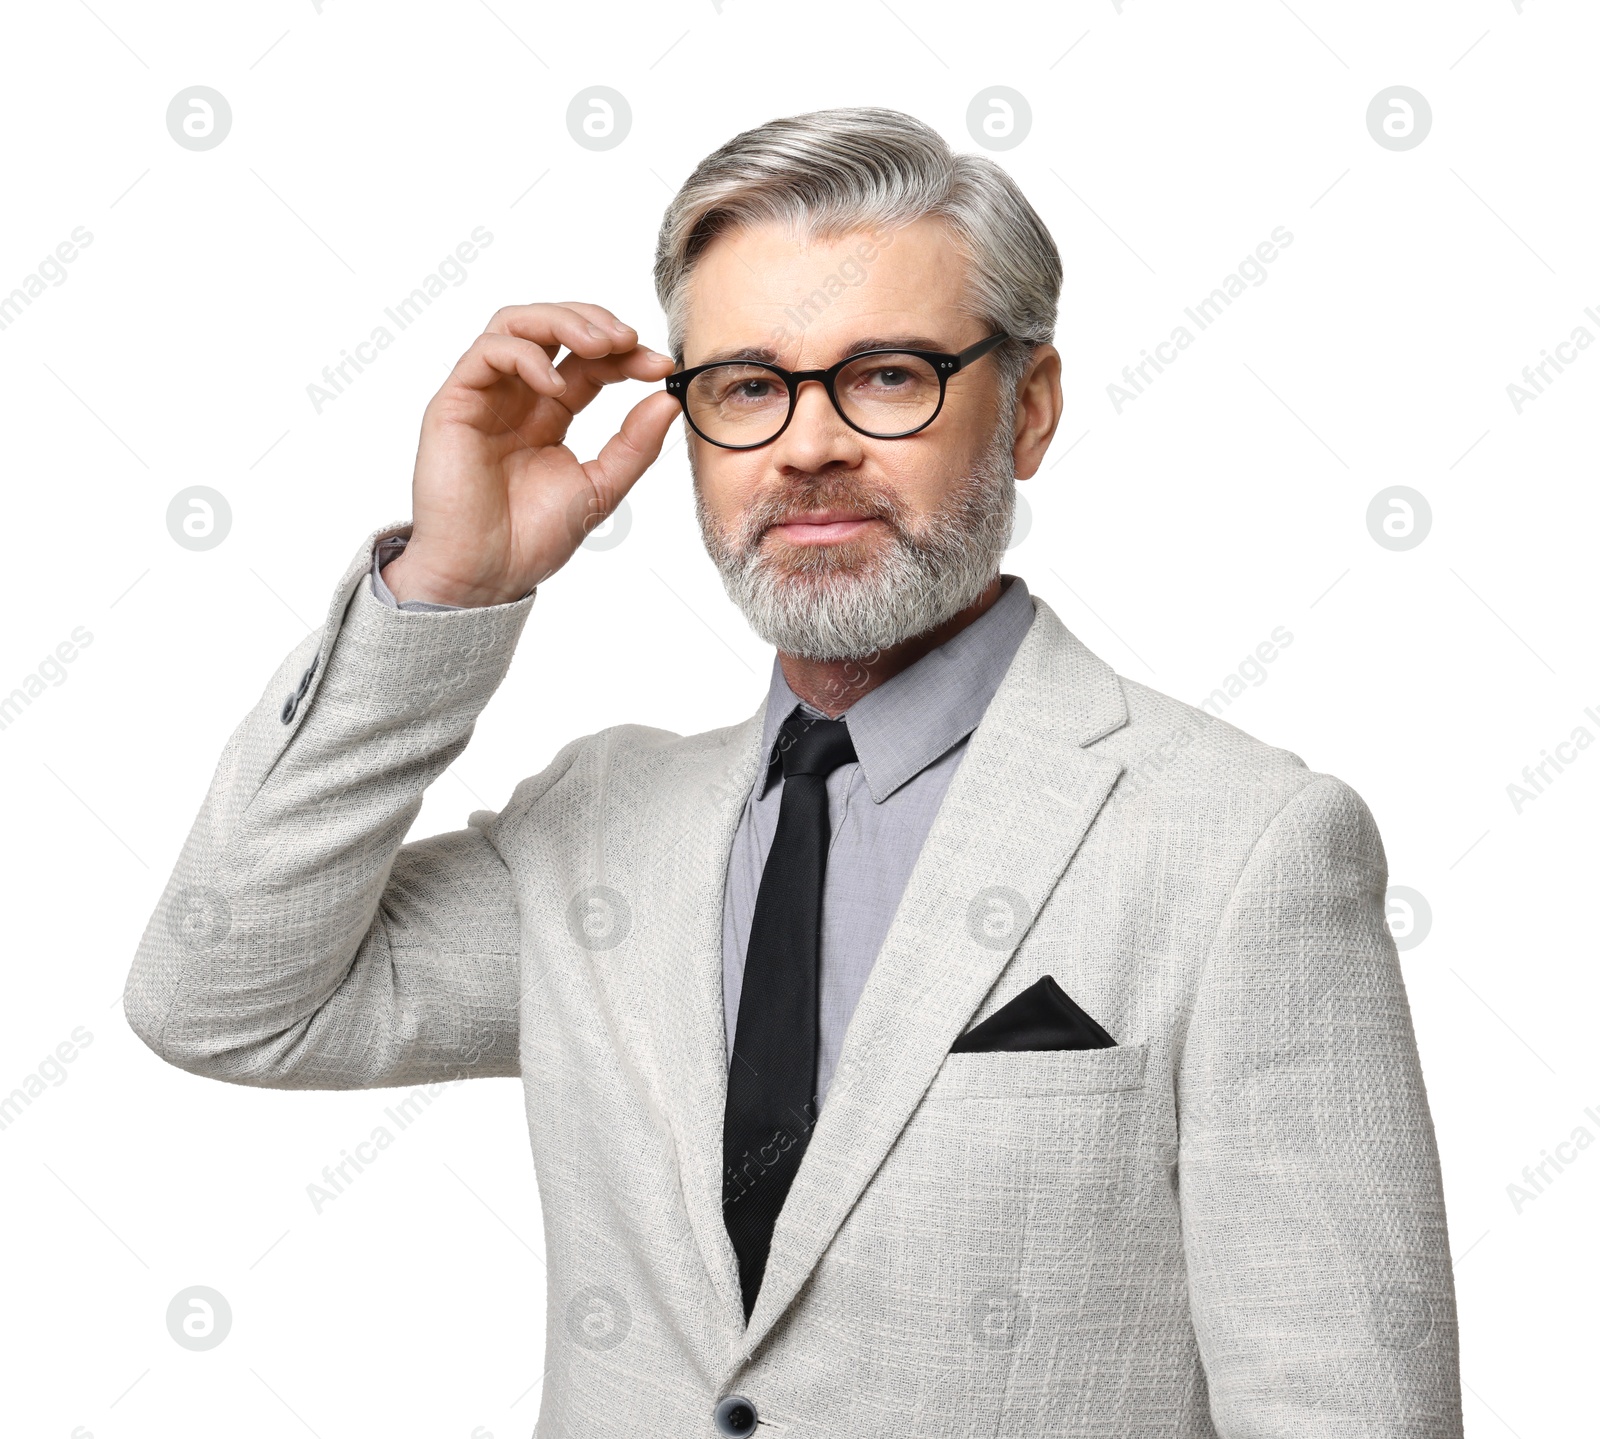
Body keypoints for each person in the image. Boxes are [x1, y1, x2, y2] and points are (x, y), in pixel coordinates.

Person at [125, 107, 1462, 1437]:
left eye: (885, 374)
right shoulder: (596, 832)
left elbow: (1343, 1407)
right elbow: (223, 998)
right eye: (750, 386)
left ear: (1030, 408)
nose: (807, 445)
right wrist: (448, 588)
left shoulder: (1247, 844)